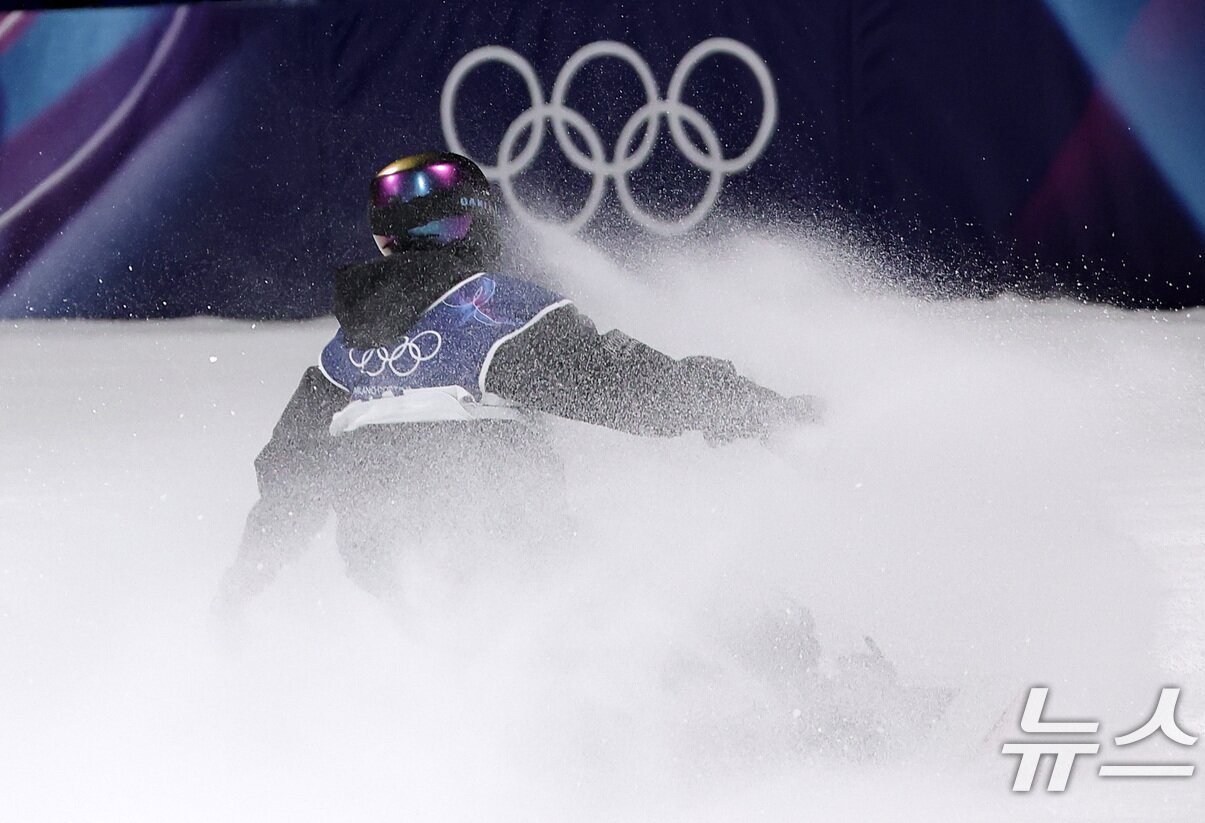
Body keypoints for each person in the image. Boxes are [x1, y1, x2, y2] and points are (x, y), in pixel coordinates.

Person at [213, 151, 821, 629]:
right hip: (507, 552)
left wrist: (246, 582)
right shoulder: (494, 314)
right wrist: (763, 411)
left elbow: (287, 484)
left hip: (393, 583)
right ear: (477, 227)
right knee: (649, 614)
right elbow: (635, 390)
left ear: (384, 243)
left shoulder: (340, 359)